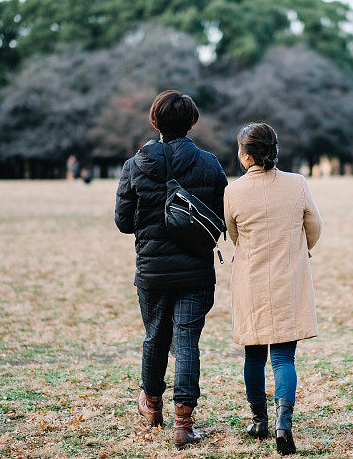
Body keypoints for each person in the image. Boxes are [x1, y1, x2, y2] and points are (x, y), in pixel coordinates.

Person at [114, 90, 228, 450]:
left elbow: (122, 222)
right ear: (192, 123)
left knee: (155, 337)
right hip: (195, 269)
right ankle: (184, 421)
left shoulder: (135, 165)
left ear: (154, 122)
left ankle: (151, 402)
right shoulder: (209, 163)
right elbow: (221, 217)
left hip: (152, 269)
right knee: (186, 342)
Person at [223, 123, 323, 456]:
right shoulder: (297, 184)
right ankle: (284, 423)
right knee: (283, 357)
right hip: (288, 276)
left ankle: (259, 420)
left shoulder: (233, 191)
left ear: (246, 154)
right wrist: (299, 246)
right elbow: (314, 227)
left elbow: (234, 235)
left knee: (253, 354)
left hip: (250, 280)